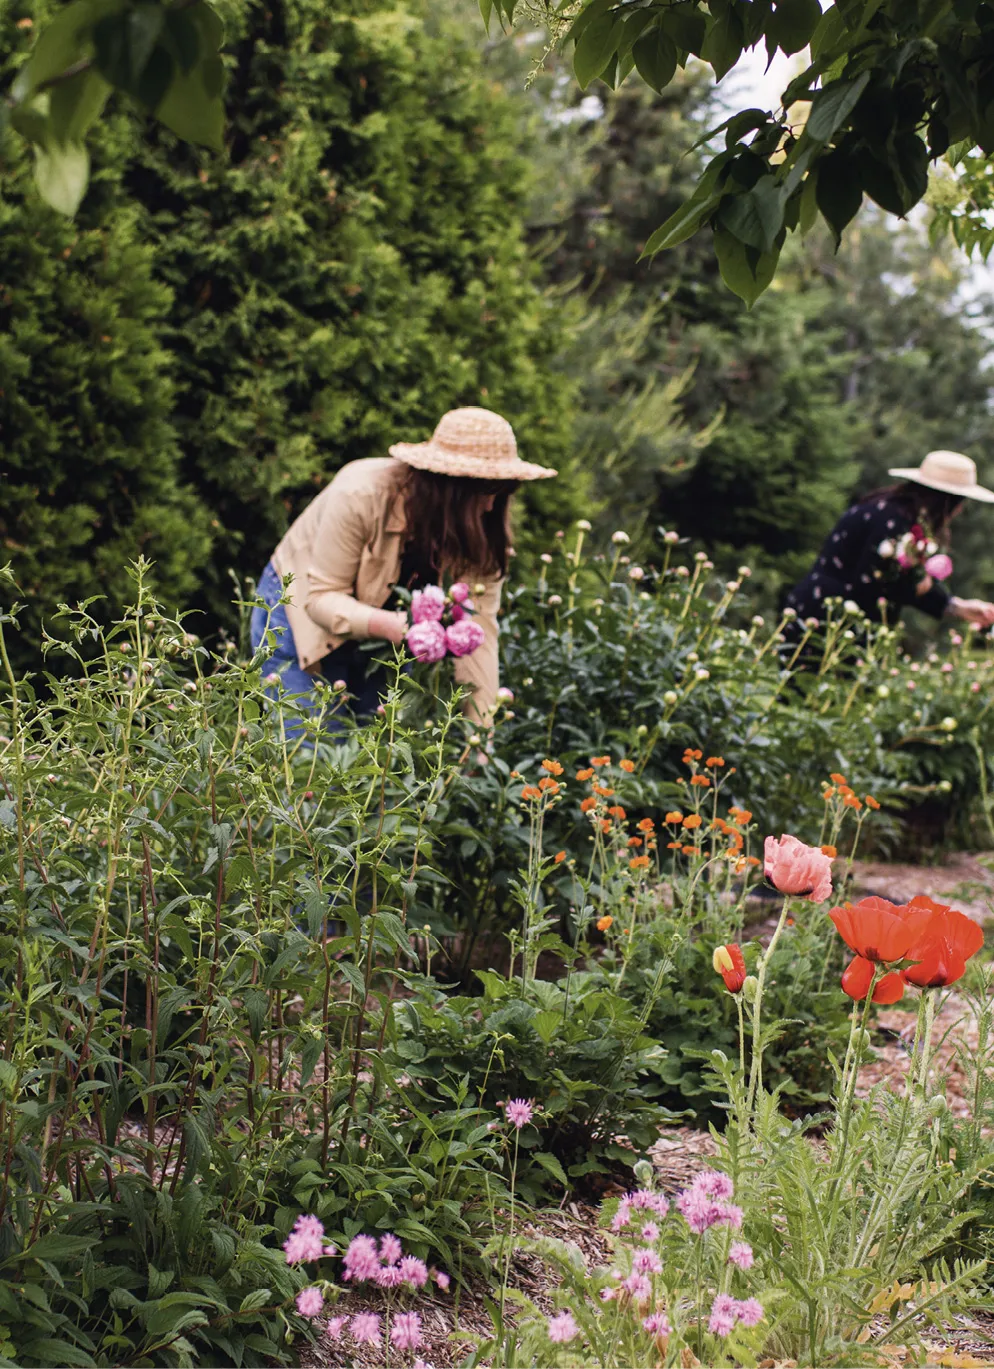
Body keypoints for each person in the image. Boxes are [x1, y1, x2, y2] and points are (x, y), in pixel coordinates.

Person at [250, 406, 556, 735]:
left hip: (384, 632)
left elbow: (480, 632)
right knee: (309, 752)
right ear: (451, 488)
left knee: (368, 751)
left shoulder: (481, 527)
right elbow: (322, 598)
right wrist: (401, 626)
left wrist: (479, 739)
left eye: (504, 491)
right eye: (486, 493)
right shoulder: (360, 494)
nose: (491, 506)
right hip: (299, 615)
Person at [785, 450, 994, 637]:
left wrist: (955, 606)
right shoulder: (894, 521)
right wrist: (917, 588)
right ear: (949, 501)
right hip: (827, 620)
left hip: (830, 615)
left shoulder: (896, 513)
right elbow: (874, 583)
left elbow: (900, 577)